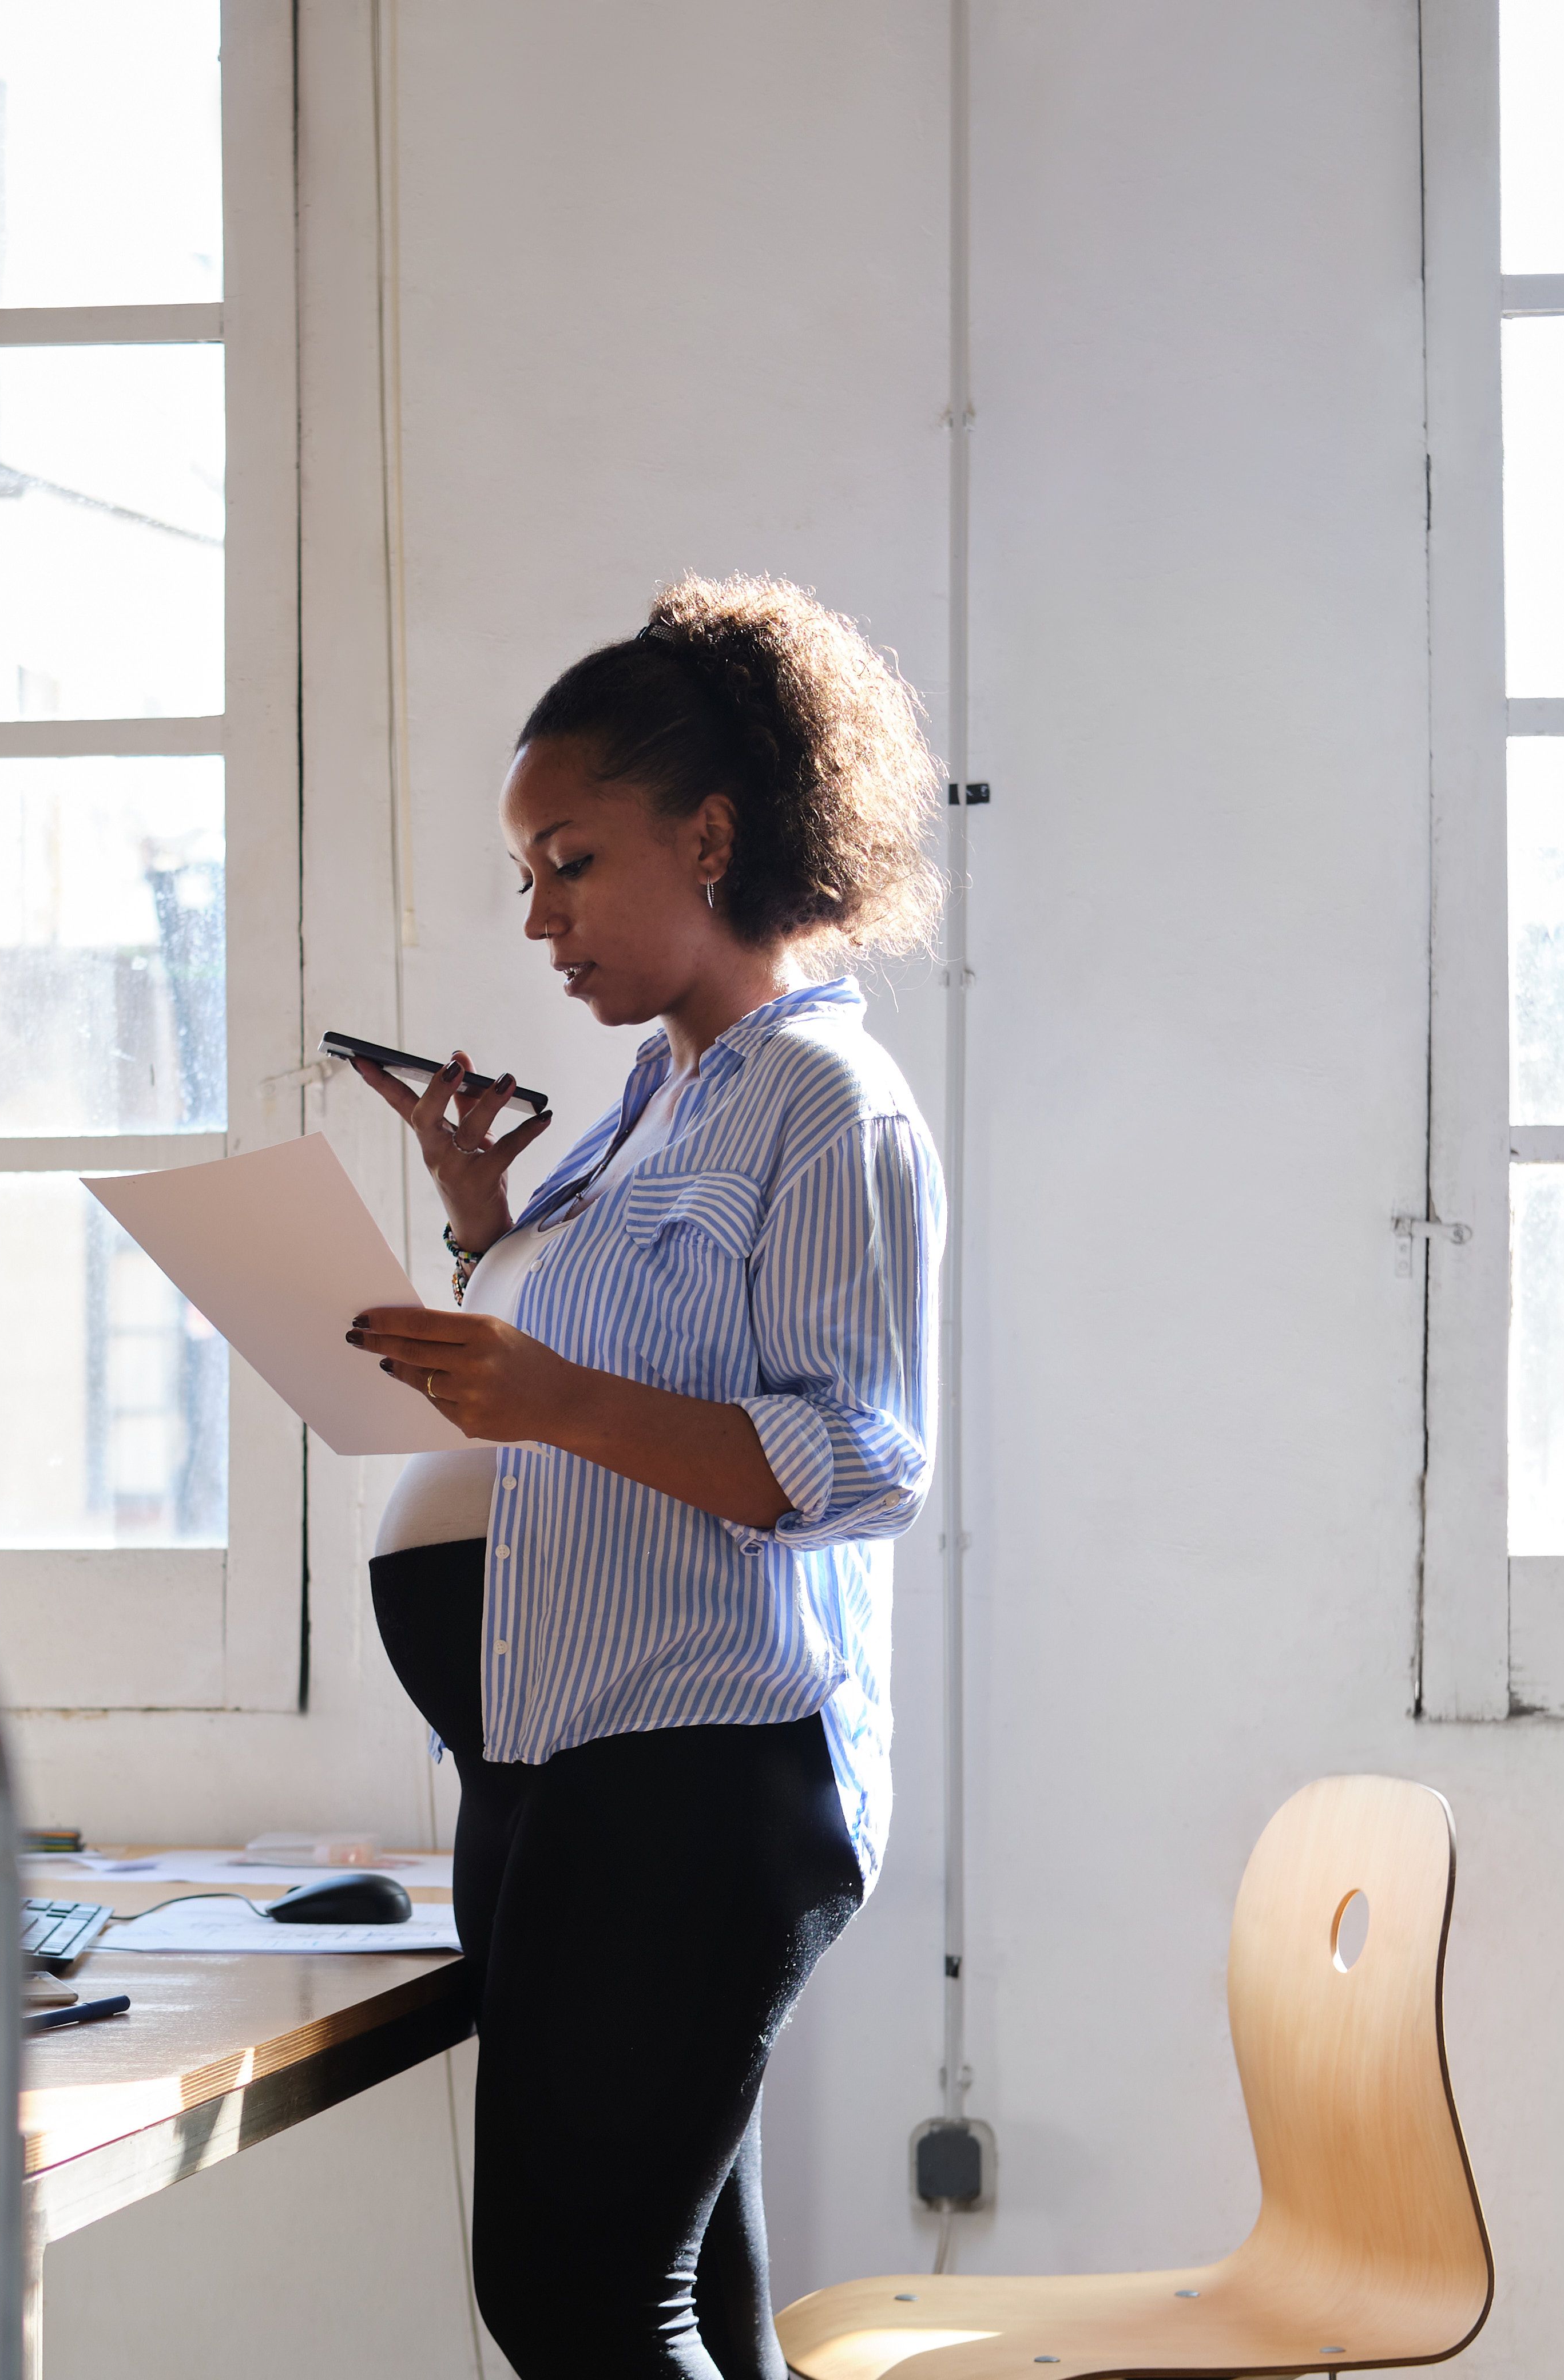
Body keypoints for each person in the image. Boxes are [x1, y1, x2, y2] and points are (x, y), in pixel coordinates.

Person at [347, 574, 947, 2379]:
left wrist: (548, 1390)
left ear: (708, 836)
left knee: (579, 2301)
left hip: (700, 1771)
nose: (537, 919)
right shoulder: (657, 1097)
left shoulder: (827, 1103)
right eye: (526, 876)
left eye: (570, 862)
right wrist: (485, 1234)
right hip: (554, 1757)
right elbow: (597, 1383)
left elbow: (858, 1457)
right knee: (686, 2307)